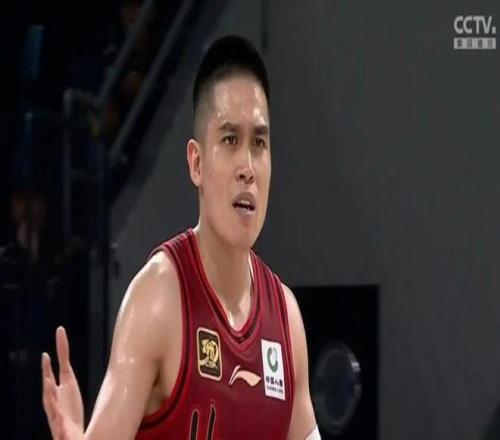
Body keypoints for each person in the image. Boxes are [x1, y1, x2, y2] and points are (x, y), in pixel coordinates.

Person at [41, 35, 320, 439]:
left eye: (259, 143)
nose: (247, 166)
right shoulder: (157, 301)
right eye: (230, 140)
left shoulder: (287, 322)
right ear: (196, 163)